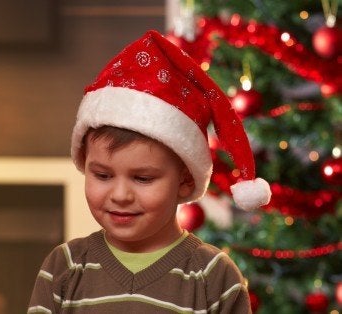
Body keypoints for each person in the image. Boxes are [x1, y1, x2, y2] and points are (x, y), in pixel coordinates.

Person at [28, 30, 272, 313]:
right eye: (103, 175)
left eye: (143, 178)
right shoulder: (64, 267)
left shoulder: (213, 276)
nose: (120, 195)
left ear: (185, 180)